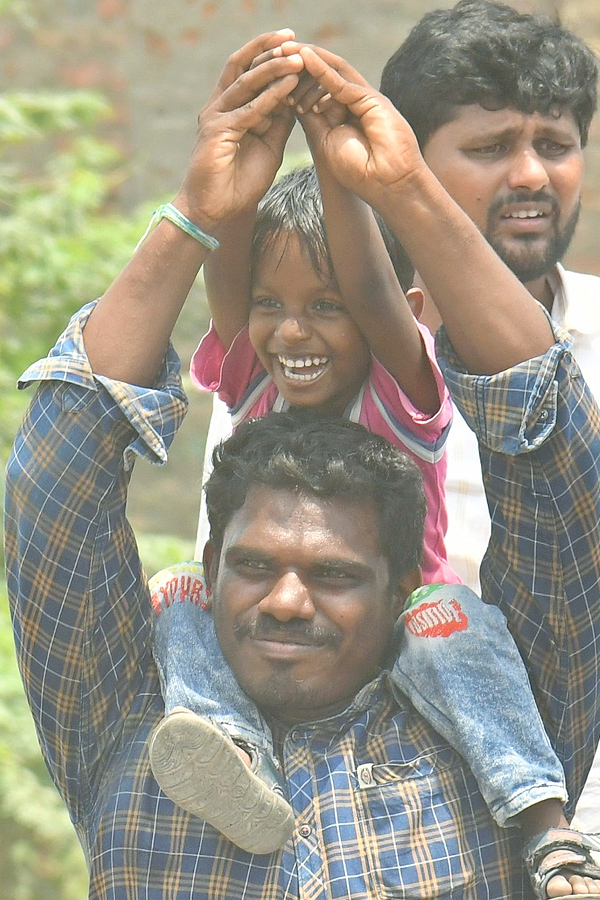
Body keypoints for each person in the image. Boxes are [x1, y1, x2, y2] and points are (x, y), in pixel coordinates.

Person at [5, 33, 600, 900]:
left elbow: (557, 470)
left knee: (461, 632)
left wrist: (389, 186)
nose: (284, 600)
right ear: (215, 562)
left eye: (331, 573)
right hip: (192, 731)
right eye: (251, 566)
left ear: (396, 587)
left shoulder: (485, 734)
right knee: (167, 604)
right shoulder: (131, 725)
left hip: (458, 683)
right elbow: (56, 486)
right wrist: (198, 207)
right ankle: (233, 742)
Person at [148, 115, 570, 857]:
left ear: (393, 317)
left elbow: (375, 290)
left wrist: (332, 153)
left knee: (456, 620)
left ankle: (541, 821)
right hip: (287, 643)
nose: (292, 332)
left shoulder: (400, 396)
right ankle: (233, 752)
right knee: (176, 590)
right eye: (270, 305)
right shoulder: (255, 384)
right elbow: (231, 280)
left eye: (325, 306)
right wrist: (242, 151)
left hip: (401, 629)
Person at [377, 0, 600, 830]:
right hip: (389, 830)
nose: (534, 175)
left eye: (555, 143)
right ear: (406, 164)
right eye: (490, 147)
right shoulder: (324, 353)